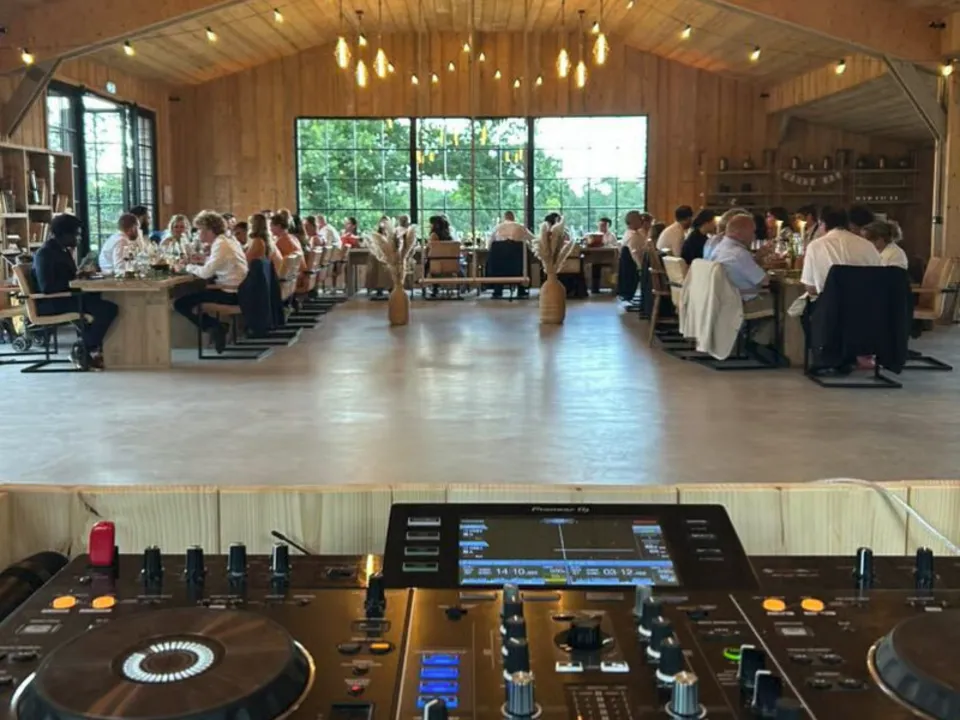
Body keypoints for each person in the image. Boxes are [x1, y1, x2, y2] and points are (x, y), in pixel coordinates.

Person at [33, 214, 118, 370]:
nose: (78, 238)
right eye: (76, 234)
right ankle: (83, 348)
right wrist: (73, 283)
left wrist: (81, 276)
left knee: (104, 299)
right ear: (64, 234)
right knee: (108, 309)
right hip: (54, 302)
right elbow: (46, 286)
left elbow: (68, 276)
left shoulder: (63, 251)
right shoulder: (45, 253)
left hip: (69, 297)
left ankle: (91, 349)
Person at [173, 211, 248, 353]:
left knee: (180, 303)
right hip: (239, 290)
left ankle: (215, 327)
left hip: (231, 294)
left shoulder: (220, 244)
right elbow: (221, 262)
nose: (198, 233)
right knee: (193, 295)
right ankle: (216, 327)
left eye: (199, 230)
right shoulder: (228, 240)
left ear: (209, 230)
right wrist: (204, 259)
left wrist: (186, 267)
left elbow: (205, 273)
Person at [710, 214, 774, 345]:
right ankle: (759, 343)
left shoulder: (720, 247)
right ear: (739, 233)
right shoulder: (739, 253)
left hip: (724, 297)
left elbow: (741, 267)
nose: (753, 236)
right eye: (752, 232)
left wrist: (756, 258)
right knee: (787, 305)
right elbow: (764, 281)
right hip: (743, 300)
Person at [801, 207, 880, 297]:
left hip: (829, 303)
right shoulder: (867, 245)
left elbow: (810, 288)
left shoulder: (814, 246)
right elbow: (878, 279)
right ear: (847, 223)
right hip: (864, 302)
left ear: (823, 224)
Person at [487, 212, 532, 299]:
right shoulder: (520, 227)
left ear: (504, 218)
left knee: (497, 266)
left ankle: (498, 290)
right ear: (513, 218)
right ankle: (521, 289)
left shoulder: (497, 228)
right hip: (517, 265)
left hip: (500, 266)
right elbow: (532, 239)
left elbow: (489, 245)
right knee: (523, 262)